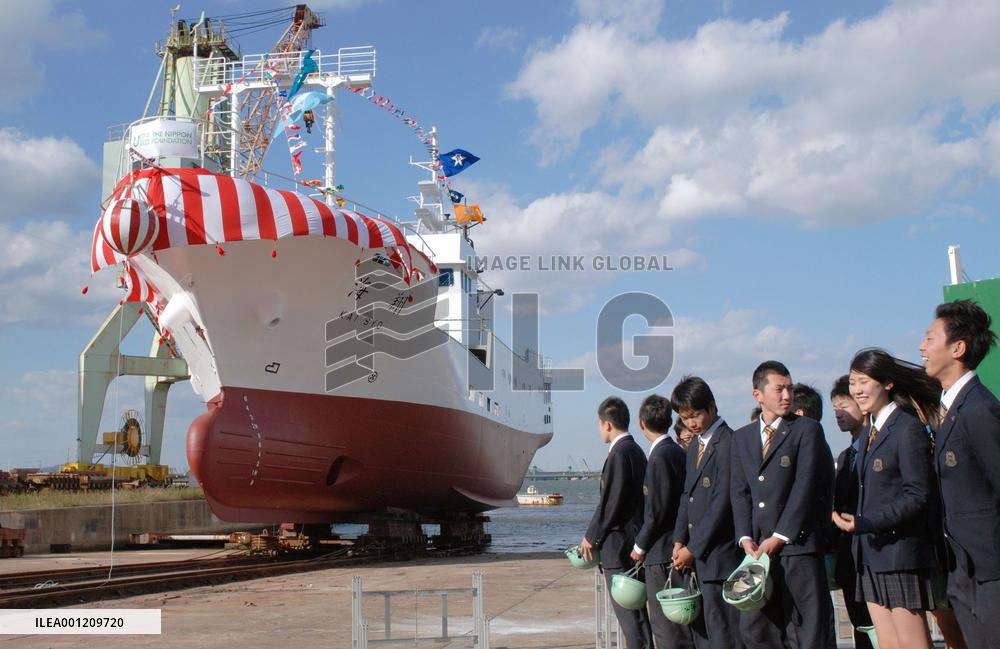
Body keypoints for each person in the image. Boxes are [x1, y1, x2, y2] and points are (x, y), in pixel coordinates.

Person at [832, 349, 940, 649]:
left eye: (864, 381)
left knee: (912, 642)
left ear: (888, 383)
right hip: (870, 553)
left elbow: (918, 495)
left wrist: (867, 522)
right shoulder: (870, 432)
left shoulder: (906, 428)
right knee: (888, 642)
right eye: (853, 382)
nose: (857, 390)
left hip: (899, 553)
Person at [731, 360, 834, 648]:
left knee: (806, 630)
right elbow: (740, 492)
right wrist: (745, 537)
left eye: (790, 388)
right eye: (779, 389)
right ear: (758, 394)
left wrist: (779, 536)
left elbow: (805, 487)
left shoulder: (806, 430)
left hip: (797, 546)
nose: (787, 395)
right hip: (757, 552)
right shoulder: (742, 437)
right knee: (757, 629)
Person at [920, 299, 1000, 647]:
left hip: (989, 571)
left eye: (930, 338)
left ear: (958, 348)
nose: (922, 347)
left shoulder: (979, 409)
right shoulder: (951, 409)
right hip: (963, 568)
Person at [670, 376, 745, 649]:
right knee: (708, 632)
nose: (691, 423)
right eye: (684, 417)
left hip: (721, 555)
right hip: (698, 556)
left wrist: (693, 548)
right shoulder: (695, 447)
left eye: (695, 415)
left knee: (726, 632)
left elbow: (721, 502)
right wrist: (679, 540)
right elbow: (686, 496)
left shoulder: (729, 442)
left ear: (712, 407)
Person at [583, 396, 653, 649]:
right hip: (634, 540)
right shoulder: (636, 451)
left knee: (629, 617)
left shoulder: (619, 453)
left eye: (599, 424)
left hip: (619, 545)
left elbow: (611, 503)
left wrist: (591, 536)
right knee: (637, 617)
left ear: (607, 424)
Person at [630, 394, 695, 649]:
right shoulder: (678, 452)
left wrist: (639, 546)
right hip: (678, 546)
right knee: (682, 623)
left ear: (641, 423)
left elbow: (656, 511)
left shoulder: (659, 457)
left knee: (667, 628)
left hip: (661, 552)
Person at [829, 375, 875, 649]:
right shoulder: (845, 456)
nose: (838, 414)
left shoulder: (878, 446)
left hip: (875, 553)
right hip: (849, 557)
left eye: (844, 406)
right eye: (835, 408)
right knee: (861, 627)